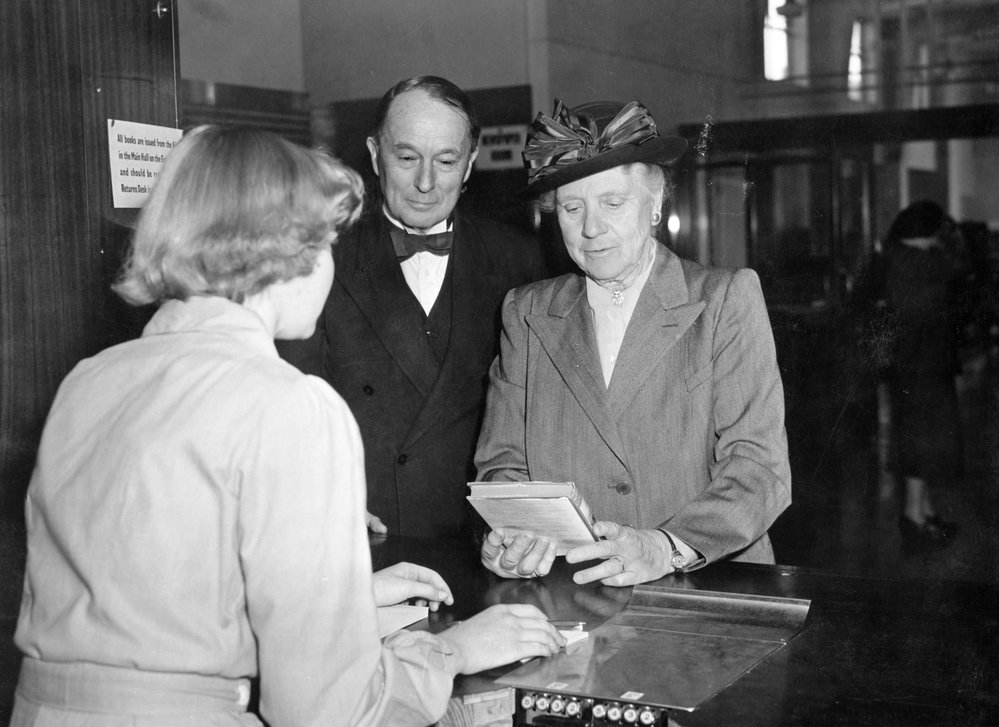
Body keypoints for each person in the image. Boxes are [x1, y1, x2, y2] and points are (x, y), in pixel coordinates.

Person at [11, 126, 564, 727]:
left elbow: (155, 604)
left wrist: (342, 604)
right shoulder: (290, 404)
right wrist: (455, 649)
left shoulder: (88, 381)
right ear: (284, 252)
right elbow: (326, 712)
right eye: (328, 243)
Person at [474, 99, 792, 586]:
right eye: (572, 208)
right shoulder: (527, 312)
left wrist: (665, 547)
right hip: (576, 588)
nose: (591, 228)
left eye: (613, 203)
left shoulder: (725, 299)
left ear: (656, 202)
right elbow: (503, 464)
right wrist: (515, 535)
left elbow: (759, 470)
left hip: (707, 584)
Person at [278, 76, 547, 540]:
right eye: (406, 158)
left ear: (469, 165)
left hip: (482, 542)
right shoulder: (318, 257)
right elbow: (287, 414)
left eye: (446, 161)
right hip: (363, 535)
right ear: (374, 153)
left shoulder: (517, 259)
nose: (425, 183)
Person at [882, 200, 963, 552]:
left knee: (921, 439)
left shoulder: (898, 258)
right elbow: (961, 267)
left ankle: (923, 512)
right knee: (922, 440)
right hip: (923, 366)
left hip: (915, 365)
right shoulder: (919, 262)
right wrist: (953, 236)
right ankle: (914, 517)